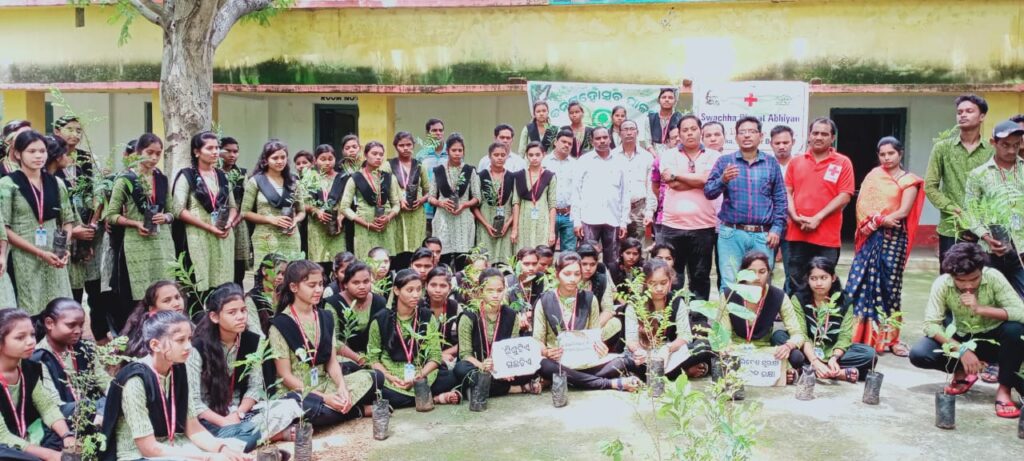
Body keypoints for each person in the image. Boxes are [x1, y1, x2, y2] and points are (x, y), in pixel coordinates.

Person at [99, 310, 251, 461]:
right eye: (180, 340)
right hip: (139, 456)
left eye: (190, 339)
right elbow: (148, 448)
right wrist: (208, 457)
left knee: (239, 442)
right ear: (155, 345)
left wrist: (222, 449)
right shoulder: (135, 380)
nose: (189, 347)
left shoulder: (178, 368)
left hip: (175, 445)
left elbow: (194, 428)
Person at [909, 242, 1024, 418]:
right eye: (961, 281)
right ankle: (963, 371)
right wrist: (962, 350)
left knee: (1016, 330)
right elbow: (930, 324)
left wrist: (980, 309)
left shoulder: (993, 277)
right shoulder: (942, 284)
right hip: (962, 338)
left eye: (974, 279)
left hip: (994, 340)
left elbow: (1020, 312)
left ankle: (1004, 389)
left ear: (981, 270)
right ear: (952, 276)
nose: (968, 285)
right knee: (919, 353)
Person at [187, 284, 302, 449]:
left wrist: (239, 413)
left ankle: (243, 437)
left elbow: (255, 387)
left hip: (240, 413)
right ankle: (271, 435)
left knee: (290, 405)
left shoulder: (254, 341)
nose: (240, 316)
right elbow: (194, 402)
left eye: (243, 310)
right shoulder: (196, 348)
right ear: (214, 317)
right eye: (232, 313)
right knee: (205, 436)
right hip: (208, 417)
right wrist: (224, 421)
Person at [268, 260, 375, 426]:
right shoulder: (280, 324)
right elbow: (285, 376)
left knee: (375, 377)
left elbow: (331, 361)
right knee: (307, 410)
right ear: (294, 287)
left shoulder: (325, 316)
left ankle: (336, 407)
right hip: (299, 392)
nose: (319, 290)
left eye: (320, 284)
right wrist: (325, 398)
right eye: (311, 285)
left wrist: (341, 387)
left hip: (325, 383)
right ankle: (355, 411)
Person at [845, 137, 925, 356]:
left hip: (894, 238)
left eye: (891, 153)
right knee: (859, 282)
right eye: (882, 154)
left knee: (890, 286)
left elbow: (903, 211)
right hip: (872, 236)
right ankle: (857, 335)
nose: (887, 158)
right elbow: (862, 206)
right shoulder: (874, 176)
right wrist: (879, 221)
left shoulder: (909, 181)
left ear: (900, 154)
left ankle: (890, 338)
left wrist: (883, 220)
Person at [532, 252, 639, 392]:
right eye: (567, 274)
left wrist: (601, 348)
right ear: (557, 274)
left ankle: (565, 379)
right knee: (542, 365)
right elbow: (537, 340)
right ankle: (610, 384)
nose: (572, 279)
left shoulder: (589, 299)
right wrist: (546, 352)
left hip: (585, 361)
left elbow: (594, 335)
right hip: (557, 361)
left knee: (622, 362)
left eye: (577, 274)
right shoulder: (545, 300)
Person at [704, 117, 787, 290]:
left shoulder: (771, 163)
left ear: (761, 136)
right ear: (736, 137)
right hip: (731, 234)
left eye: (752, 131)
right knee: (729, 283)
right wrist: (723, 179)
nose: (747, 136)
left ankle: (758, 318)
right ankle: (729, 318)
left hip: (763, 235)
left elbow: (780, 199)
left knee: (760, 284)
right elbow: (709, 192)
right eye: (742, 132)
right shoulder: (724, 162)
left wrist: (777, 229)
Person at [0, 130, 74, 314]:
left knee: (59, 312)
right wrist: (40, 253)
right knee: (29, 312)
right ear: (18, 154)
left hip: (54, 255)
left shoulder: (57, 183)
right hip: (22, 257)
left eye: (42, 151)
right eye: (31, 151)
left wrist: (63, 248)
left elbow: (67, 221)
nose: (38, 155)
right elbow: (4, 228)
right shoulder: (8, 184)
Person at [367, 269, 461, 408]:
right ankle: (433, 398)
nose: (416, 295)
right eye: (410, 290)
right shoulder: (380, 319)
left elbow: (435, 355)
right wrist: (389, 376)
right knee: (377, 387)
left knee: (453, 377)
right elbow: (373, 358)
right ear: (397, 291)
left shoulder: (426, 316)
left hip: (421, 372)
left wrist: (420, 376)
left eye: (418, 289)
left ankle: (421, 396)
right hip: (392, 374)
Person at [104, 133, 176, 313]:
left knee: (164, 289)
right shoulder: (125, 180)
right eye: (149, 152)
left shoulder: (162, 179)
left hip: (162, 242)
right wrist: (134, 223)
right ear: (137, 152)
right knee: (139, 294)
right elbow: (111, 215)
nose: (153, 158)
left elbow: (172, 210)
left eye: (158, 154)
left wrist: (166, 217)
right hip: (137, 243)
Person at [783, 118, 853, 294]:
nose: (819, 137)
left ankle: (822, 320)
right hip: (797, 233)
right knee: (796, 279)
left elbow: (845, 195)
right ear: (809, 136)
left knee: (823, 282)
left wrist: (817, 218)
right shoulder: (796, 162)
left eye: (824, 134)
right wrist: (794, 215)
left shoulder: (842, 162)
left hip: (826, 236)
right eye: (815, 133)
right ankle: (798, 320)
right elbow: (787, 191)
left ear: (832, 138)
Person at [30, 299, 110, 450]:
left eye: (81, 325)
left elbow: (104, 381)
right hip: (63, 418)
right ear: (49, 323)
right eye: (71, 325)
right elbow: (53, 404)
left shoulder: (85, 348)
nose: (79, 330)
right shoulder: (38, 358)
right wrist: (92, 411)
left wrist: (109, 402)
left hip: (96, 410)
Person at [658, 115, 722, 300]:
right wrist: (699, 180)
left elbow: (707, 180)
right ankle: (674, 315)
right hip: (672, 226)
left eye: (693, 129)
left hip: (703, 226)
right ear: (679, 133)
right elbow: (672, 183)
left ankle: (698, 319)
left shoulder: (714, 156)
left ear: (700, 131)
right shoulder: (668, 155)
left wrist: (678, 175)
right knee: (672, 274)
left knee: (700, 275)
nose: (689, 133)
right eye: (685, 130)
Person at [925, 95, 994, 264]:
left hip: (985, 230)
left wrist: (980, 218)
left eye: (969, 111)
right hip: (951, 228)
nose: (963, 115)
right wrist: (953, 209)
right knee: (950, 280)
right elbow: (930, 186)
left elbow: (997, 189)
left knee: (983, 280)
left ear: (982, 116)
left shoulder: (992, 151)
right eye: (959, 112)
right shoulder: (942, 148)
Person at [0, 308, 77, 461]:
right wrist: (54, 456)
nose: (30, 341)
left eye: (32, 334)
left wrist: (67, 436)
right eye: (20, 337)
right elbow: (3, 436)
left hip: (28, 432)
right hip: (5, 443)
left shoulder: (29, 367)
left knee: (81, 412)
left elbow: (47, 407)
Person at [718, 251, 805, 383]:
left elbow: (798, 334)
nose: (757, 277)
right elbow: (724, 334)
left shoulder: (778, 296)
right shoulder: (729, 295)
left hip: (765, 351)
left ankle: (786, 373)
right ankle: (784, 372)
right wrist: (726, 347)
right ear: (742, 274)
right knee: (709, 349)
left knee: (796, 356)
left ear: (769, 273)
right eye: (751, 272)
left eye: (762, 271)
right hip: (736, 348)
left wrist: (788, 346)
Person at [454, 268, 542, 396]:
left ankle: (480, 389)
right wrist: (483, 365)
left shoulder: (511, 315)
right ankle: (516, 389)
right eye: (490, 291)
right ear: (480, 291)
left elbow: (513, 350)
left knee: (532, 369)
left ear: (504, 290)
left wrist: (506, 369)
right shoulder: (469, 317)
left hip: (503, 368)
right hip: (478, 366)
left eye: (500, 290)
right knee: (461, 369)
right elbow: (465, 354)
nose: (495, 295)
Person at [172, 132, 237, 301]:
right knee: (199, 285)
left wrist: (229, 222)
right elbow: (178, 209)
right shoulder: (186, 175)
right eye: (210, 148)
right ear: (196, 152)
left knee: (222, 286)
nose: (215, 152)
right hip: (197, 236)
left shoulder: (222, 176)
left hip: (222, 236)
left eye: (217, 148)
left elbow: (233, 207)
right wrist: (209, 227)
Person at [963, 120, 1024, 296]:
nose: (1012, 150)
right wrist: (987, 237)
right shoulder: (978, 175)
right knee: (989, 298)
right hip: (990, 249)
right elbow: (971, 213)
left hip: (1022, 248)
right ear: (993, 143)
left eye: (1016, 145)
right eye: (1005, 145)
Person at [791, 257, 876, 383]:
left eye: (823, 278)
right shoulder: (798, 299)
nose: (818, 283)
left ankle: (808, 370)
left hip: (832, 350)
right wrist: (815, 361)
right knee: (779, 337)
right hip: (806, 349)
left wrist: (834, 358)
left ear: (833, 278)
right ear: (807, 280)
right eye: (813, 278)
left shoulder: (845, 301)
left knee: (869, 354)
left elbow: (845, 336)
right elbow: (801, 334)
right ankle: (837, 373)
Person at [624, 259, 710, 380]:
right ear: (645, 283)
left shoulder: (676, 301)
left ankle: (671, 372)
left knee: (704, 346)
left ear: (670, 281)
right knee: (628, 364)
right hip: (643, 357)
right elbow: (631, 341)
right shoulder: (635, 304)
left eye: (663, 283)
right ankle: (684, 372)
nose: (659, 288)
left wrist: (667, 349)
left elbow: (685, 336)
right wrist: (639, 352)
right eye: (653, 283)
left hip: (670, 353)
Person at [241, 140, 304, 270]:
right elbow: (245, 212)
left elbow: (301, 211)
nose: (280, 161)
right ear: (266, 159)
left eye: (283, 157)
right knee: (267, 277)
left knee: (291, 275)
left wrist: (295, 221)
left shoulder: (293, 181)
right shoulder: (256, 181)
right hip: (265, 237)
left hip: (290, 236)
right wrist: (271, 219)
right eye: (275, 158)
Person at [574, 127, 629, 264]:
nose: (602, 141)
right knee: (587, 257)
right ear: (592, 141)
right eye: (598, 138)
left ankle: (612, 285)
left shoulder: (620, 161)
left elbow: (625, 193)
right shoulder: (584, 160)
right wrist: (577, 221)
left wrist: (624, 222)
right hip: (589, 218)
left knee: (613, 260)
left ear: (610, 139)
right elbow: (576, 192)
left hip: (613, 218)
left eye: (605, 137)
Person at [322, 262, 388, 373]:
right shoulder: (333, 303)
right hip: (345, 358)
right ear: (346, 284)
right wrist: (359, 358)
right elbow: (334, 340)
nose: (362, 286)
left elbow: (384, 335)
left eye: (366, 282)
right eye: (356, 282)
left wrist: (373, 359)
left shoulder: (380, 302)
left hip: (375, 357)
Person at [427, 134, 480, 270]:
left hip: (463, 218)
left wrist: (464, 204)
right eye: (454, 150)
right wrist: (441, 203)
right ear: (447, 151)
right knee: (442, 258)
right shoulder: (438, 171)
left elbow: (477, 197)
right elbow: (431, 197)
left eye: (460, 150)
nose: (457, 153)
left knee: (462, 259)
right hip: (443, 218)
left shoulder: (470, 170)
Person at [303, 144, 347, 275]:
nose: (327, 162)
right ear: (315, 160)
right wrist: (316, 210)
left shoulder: (343, 178)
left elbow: (348, 201)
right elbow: (301, 203)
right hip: (317, 227)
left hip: (337, 224)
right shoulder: (309, 178)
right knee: (318, 263)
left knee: (338, 263)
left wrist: (341, 215)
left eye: (330, 158)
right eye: (323, 159)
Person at [388, 131, 429, 271]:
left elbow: (429, 190)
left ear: (413, 146)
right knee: (398, 247)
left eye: (409, 145)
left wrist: (422, 200)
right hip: (397, 214)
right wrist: (399, 201)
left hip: (416, 213)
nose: (405, 148)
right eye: (401, 145)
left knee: (415, 247)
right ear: (395, 146)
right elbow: (383, 189)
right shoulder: (389, 165)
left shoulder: (419, 166)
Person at [473, 142, 519, 263]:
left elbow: (516, 204)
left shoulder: (512, 177)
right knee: (484, 261)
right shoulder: (480, 176)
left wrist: (508, 224)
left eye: (503, 155)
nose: (499, 157)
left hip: (506, 226)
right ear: (489, 156)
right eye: (496, 154)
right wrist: (486, 225)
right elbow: (475, 207)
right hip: (485, 224)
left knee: (505, 262)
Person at [122, 281, 188, 357]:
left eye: (177, 297)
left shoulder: (187, 326)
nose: (176, 304)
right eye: (167, 300)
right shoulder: (147, 336)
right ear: (152, 309)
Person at [615, 120, 656, 241]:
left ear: (637, 132)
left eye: (632, 129)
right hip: (617, 210)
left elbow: (651, 186)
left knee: (642, 250)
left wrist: (649, 211)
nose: (629, 132)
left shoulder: (647, 157)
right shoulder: (612, 156)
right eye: (625, 129)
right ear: (619, 133)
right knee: (616, 250)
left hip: (640, 210)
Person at [219, 137, 251, 286]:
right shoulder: (214, 173)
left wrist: (235, 220)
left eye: (235, 151)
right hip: (217, 220)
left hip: (238, 222)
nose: (232, 155)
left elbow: (247, 203)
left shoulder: (242, 174)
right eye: (228, 151)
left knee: (238, 266)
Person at [514, 141, 556, 250]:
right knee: (523, 253)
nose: (534, 158)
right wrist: (514, 229)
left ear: (543, 155)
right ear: (526, 156)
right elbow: (516, 203)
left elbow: (552, 204)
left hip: (543, 221)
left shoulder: (549, 176)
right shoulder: (519, 176)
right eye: (531, 155)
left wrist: (552, 231)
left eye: (537, 155)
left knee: (541, 254)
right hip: (524, 221)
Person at [769, 125, 796, 291]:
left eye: (785, 142)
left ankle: (787, 308)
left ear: (793, 142)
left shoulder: (800, 165)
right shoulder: (764, 164)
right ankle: (763, 306)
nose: (781, 146)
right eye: (777, 143)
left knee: (792, 270)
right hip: (768, 227)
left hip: (793, 226)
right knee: (763, 267)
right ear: (770, 143)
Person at [542, 129, 578, 252]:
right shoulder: (544, 162)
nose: (566, 145)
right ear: (555, 142)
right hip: (548, 214)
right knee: (545, 252)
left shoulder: (575, 164)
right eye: (563, 141)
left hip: (569, 214)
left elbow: (579, 190)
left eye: (570, 143)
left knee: (569, 253)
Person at [418, 267, 461, 368]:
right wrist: (437, 357)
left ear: (449, 288)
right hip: (421, 359)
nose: (437, 290)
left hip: (449, 358)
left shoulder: (455, 307)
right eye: (433, 285)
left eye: (442, 286)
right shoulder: (418, 306)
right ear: (426, 285)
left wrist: (443, 354)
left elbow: (464, 342)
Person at [243, 253, 287, 336]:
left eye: (283, 274)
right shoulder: (252, 298)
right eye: (277, 272)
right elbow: (255, 331)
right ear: (264, 270)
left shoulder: (285, 296)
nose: (281, 277)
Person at [415, 119, 448, 228]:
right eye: (434, 130)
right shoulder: (421, 156)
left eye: (440, 130)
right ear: (428, 133)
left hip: (446, 207)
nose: (438, 133)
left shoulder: (452, 153)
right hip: (426, 208)